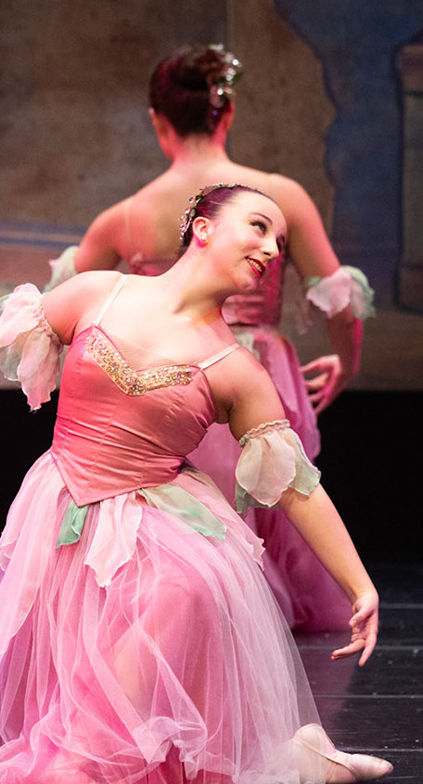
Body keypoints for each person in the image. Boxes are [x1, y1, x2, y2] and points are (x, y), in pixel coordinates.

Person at [0, 183, 391, 784]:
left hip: (155, 514)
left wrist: (359, 585)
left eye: (278, 239)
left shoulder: (236, 369)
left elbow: (297, 486)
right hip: (65, 506)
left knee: (187, 587)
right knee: (68, 660)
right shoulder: (99, 293)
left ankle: (79, 761)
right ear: (202, 227)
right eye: (257, 226)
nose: (272, 248)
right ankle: (136, 757)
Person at [47, 45, 374, 631]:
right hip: (254, 367)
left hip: (165, 377)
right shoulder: (276, 197)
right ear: (228, 112)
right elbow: (340, 299)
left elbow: (66, 311)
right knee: (270, 498)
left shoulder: (127, 215)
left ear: (158, 121)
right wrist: (346, 362)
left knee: (185, 519)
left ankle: (192, 628)